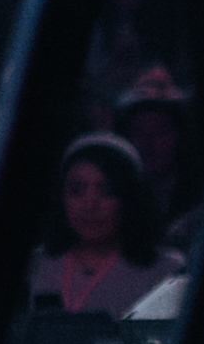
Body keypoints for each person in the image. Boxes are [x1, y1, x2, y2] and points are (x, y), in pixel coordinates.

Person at [31, 134, 178, 317]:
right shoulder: (35, 266)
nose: (90, 205)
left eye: (106, 191)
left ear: (129, 197)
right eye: (77, 191)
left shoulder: (165, 273)